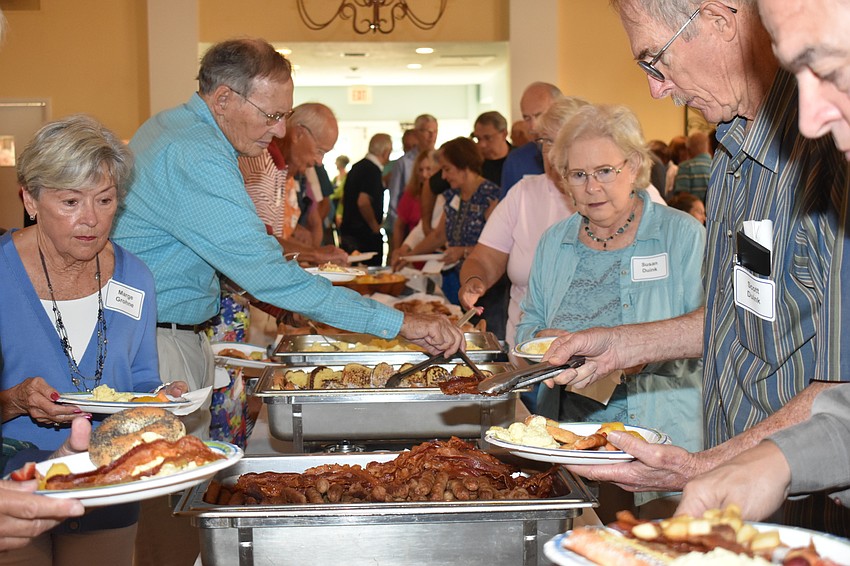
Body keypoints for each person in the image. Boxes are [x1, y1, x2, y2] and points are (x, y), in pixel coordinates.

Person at [542, 0, 850, 536]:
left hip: (810, 517)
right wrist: (619, 346)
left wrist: (704, 467)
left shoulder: (828, 157)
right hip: (737, 499)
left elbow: (838, 389)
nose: (657, 89)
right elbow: (736, 314)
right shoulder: (733, 153)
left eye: (655, 60)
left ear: (717, 21)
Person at [111, 38, 464, 439]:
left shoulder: (176, 127)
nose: (280, 129)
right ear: (224, 98)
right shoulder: (196, 153)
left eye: (286, 115)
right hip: (160, 342)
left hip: (158, 331)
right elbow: (265, 271)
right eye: (272, 115)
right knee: (170, 483)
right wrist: (400, 323)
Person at [676, 0, 850, 520]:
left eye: (831, 70)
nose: (810, 117)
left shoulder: (822, 173)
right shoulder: (731, 153)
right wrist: (770, 461)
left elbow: (835, 378)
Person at [0, 115, 187, 565]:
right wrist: (16, 400)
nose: (90, 220)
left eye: (104, 200)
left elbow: (140, 377)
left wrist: (159, 399)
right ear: (30, 199)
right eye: (70, 202)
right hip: (13, 485)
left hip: (109, 481)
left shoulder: (135, 276)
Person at [517, 103, 705, 516]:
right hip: (573, 441)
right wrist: (538, 342)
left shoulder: (682, 236)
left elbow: (714, 334)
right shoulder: (555, 241)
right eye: (578, 174)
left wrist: (638, 354)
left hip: (662, 438)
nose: (591, 187)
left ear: (634, 165)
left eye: (605, 171)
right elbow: (528, 322)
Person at [458, 97, 587, 359]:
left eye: (559, 140)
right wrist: (475, 281)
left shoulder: (608, 196)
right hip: (528, 354)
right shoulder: (525, 192)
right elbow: (485, 257)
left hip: (592, 360)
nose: (551, 151)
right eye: (545, 142)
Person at [238, 103, 348, 265]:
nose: (319, 162)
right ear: (298, 134)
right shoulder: (262, 163)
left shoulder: (284, 171)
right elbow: (259, 242)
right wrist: (315, 254)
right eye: (320, 151)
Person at [403, 137, 501, 305]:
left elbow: (499, 248)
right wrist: (408, 257)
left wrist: (463, 251)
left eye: (447, 169)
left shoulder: (490, 197)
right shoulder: (453, 195)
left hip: (484, 288)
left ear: (464, 167)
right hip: (455, 283)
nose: (444, 176)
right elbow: (439, 236)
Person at [500, 82, 564, 196]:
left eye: (539, 115)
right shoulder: (516, 161)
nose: (533, 127)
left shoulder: (581, 153)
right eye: (527, 118)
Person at [339, 133, 393, 266]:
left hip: (350, 231)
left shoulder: (358, 167)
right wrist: (375, 227)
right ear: (385, 152)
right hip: (363, 235)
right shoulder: (372, 170)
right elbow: (363, 202)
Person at [390, 149, 436, 262]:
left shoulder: (443, 196)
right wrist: (399, 251)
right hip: (414, 253)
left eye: (428, 169)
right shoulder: (410, 195)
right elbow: (400, 226)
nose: (424, 174)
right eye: (420, 170)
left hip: (435, 255)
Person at [473, 111, 512, 185]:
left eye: (487, 138)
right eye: (478, 139)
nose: (482, 145)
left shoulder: (519, 160)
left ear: (504, 134)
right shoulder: (474, 165)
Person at [672, 130, 712, 202]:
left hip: (693, 211)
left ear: (689, 148)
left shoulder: (686, 167)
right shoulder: (717, 166)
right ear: (707, 146)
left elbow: (683, 197)